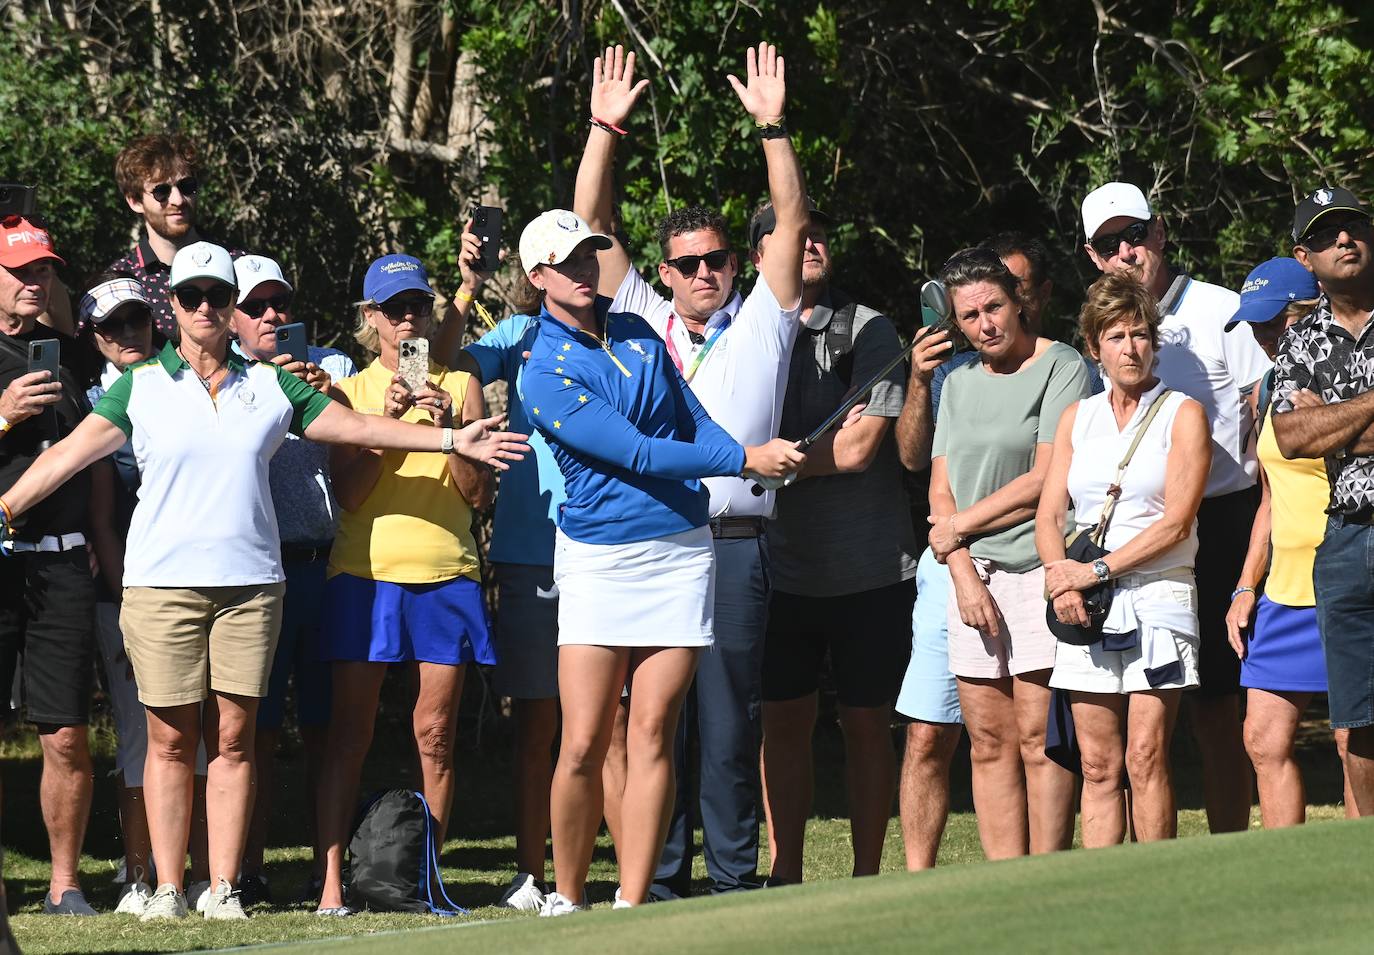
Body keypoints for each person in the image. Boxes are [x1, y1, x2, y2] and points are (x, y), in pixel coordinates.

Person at [0, 241, 527, 923]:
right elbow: (68, 456)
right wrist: (5, 506)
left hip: (250, 586)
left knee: (235, 740)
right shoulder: (142, 385)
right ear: (174, 306)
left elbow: (360, 425)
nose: (206, 309)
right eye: (192, 296)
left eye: (218, 296)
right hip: (162, 588)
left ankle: (221, 888)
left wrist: (453, 440)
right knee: (167, 740)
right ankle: (167, 886)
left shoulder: (271, 384)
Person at [516, 206, 804, 915]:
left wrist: (729, 447)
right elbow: (638, 452)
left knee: (652, 733)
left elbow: (691, 420)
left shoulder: (641, 332)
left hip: (679, 551)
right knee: (583, 739)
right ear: (538, 277)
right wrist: (745, 457)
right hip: (597, 559)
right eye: (568, 262)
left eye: (590, 256)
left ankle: (633, 901)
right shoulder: (542, 370)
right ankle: (568, 894)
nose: (585, 270)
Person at [570, 42, 808, 899]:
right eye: (689, 264)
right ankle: (660, 881)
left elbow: (791, 216)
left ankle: (734, 881)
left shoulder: (765, 319)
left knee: (727, 723)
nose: (707, 273)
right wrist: (605, 129)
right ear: (661, 273)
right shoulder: (635, 319)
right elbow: (585, 222)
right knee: (650, 723)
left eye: (718, 259)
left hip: (738, 542)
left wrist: (772, 128)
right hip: (656, 537)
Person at [893, 231, 1101, 870]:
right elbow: (939, 485)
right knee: (987, 740)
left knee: (1039, 739)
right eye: (968, 316)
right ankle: (1003, 882)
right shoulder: (954, 379)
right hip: (970, 576)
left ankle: (1045, 878)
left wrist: (956, 531)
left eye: (993, 308)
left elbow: (1047, 478)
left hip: (1039, 568)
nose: (984, 324)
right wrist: (960, 569)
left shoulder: (1063, 364)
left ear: (1019, 300)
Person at [313, 253, 500, 916]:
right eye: (393, 310)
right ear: (372, 320)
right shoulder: (351, 393)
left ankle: (423, 878)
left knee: (436, 735)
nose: (408, 319)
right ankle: (331, 883)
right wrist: (385, 430)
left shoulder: (461, 382)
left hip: (445, 577)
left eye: (417, 305)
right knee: (349, 732)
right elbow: (352, 494)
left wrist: (451, 429)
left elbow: (479, 497)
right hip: (365, 579)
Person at [1081, 182, 1269, 833]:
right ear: (1093, 254)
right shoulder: (1099, 330)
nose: (1126, 249)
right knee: (1122, 728)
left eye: (1135, 233)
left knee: (1221, 709)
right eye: (1110, 242)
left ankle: (1230, 848)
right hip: (1128, 537)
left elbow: (1265, 429)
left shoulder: (1222, 309)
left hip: (1221, 522)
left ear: (1160, 233)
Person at [758, 188, 918, 882]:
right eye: (796, 232)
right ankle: (784, 873)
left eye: (820, 232)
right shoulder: (746, 330)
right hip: (779, 570)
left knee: (865, 726)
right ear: (762, 255)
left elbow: (859, 450)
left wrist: (768, 463)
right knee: (783, 725)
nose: (811, 242)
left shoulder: (870, 329)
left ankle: (865, 878)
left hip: (870, 570)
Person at [1037, 271, 1211, 846]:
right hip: (1088, 600)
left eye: (1140, 334)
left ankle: (1156, 894)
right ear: (1094, 348)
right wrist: (1062, 582)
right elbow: (1048, 515)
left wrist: (1095, 570)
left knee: (1145, 756)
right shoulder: (1077, 418)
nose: (1130, 348)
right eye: (1115, 337)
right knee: (1098, 765)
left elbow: (1177, 521)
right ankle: (1100, 900)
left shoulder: (1183, 412)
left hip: (1159, 595)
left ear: (1154, 342)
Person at [78, 275, 214, 914]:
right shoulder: (98, 401)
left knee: (205, 736)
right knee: (147, 733)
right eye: (113, 329)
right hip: (132, 592)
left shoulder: (189, 384)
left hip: (204, 584)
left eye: (136, 322)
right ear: (96, 340)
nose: (128, 336)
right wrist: (125, 594)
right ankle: (142, 875)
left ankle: (207, 876)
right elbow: (104, 519)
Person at [229, 254, 357, 904]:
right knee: (253, 729)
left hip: (325, 567)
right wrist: (270, 394)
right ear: (231, 316)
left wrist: (328, 399)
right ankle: (246, 867)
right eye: (257, 306)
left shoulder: (334, 368)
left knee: (325, 729)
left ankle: (325, 868)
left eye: (280, 302)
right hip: (256, 572)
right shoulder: (225, 379)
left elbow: (365, 455)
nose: (273, 316)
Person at [1222, 256, 1351, 827]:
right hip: (1283, 590)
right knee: (1262, 739)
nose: (1266, 337)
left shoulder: (1348, 372)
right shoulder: (1266, 391)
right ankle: (1285, 872)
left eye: (1278, 322)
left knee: (1356, 746)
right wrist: (1246, 586)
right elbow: (1270, 499)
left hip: (1346, 580)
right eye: (1256, 326)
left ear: (1314, 309)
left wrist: (1328, 419)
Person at [0, 216, 100, 915]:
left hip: (61, 565)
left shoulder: (70, 357)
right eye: (20, 271)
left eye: (43, 270)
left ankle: (65, 882)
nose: (35, 281)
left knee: (65, 731)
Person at [1271, 187, 1374, 817]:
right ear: (1304, 257)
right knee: (1358, 714)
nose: (1345, 239)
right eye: (1328, 234)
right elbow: (1291, 436)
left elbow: (1318, 430)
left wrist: (1333, 419)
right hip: (1344, 539)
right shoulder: (1299, 340)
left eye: (1355, 226)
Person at [110, 134, 231, 339]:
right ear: (134, 201)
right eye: (161, 191)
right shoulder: (120, 282)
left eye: (186, 187)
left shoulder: (236, 264)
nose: (178, 200)